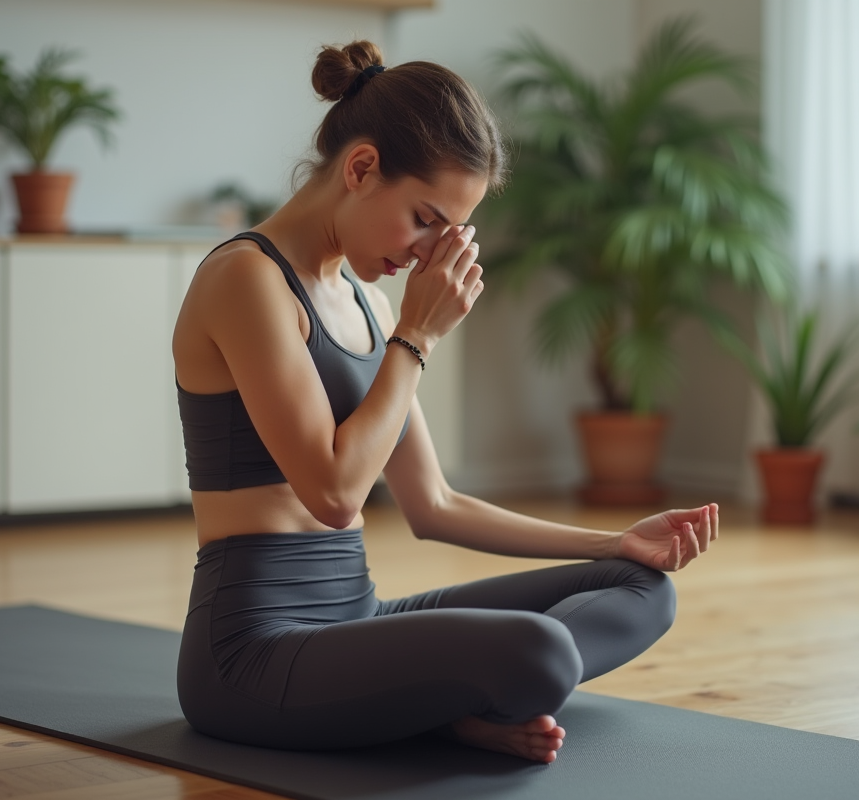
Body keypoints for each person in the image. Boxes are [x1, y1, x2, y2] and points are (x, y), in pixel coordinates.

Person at [171, 40, 718, 765]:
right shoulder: (246, 279)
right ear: (362, 168)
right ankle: (454, 706)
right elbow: (335, 494)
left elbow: (433, 505)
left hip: (354, 619)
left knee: (642, 588)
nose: (428, 253)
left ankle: (448, 706)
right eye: (424, 219)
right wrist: (418, 337)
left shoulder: (364, 302)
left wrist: (615, 541)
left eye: (447, 233)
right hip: (251, 653)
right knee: (543, 653)